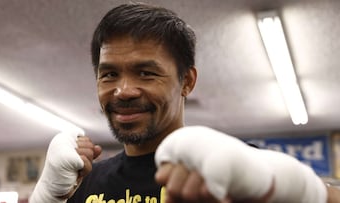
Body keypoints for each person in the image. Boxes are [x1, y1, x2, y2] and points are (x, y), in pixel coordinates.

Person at [30, 3, 340, 203]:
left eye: (146, 73)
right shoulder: (82, 183)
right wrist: (43, 197)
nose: (123, 91)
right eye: (109, 74)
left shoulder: (234, 170)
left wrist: (298, 190)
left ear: (187, 81)